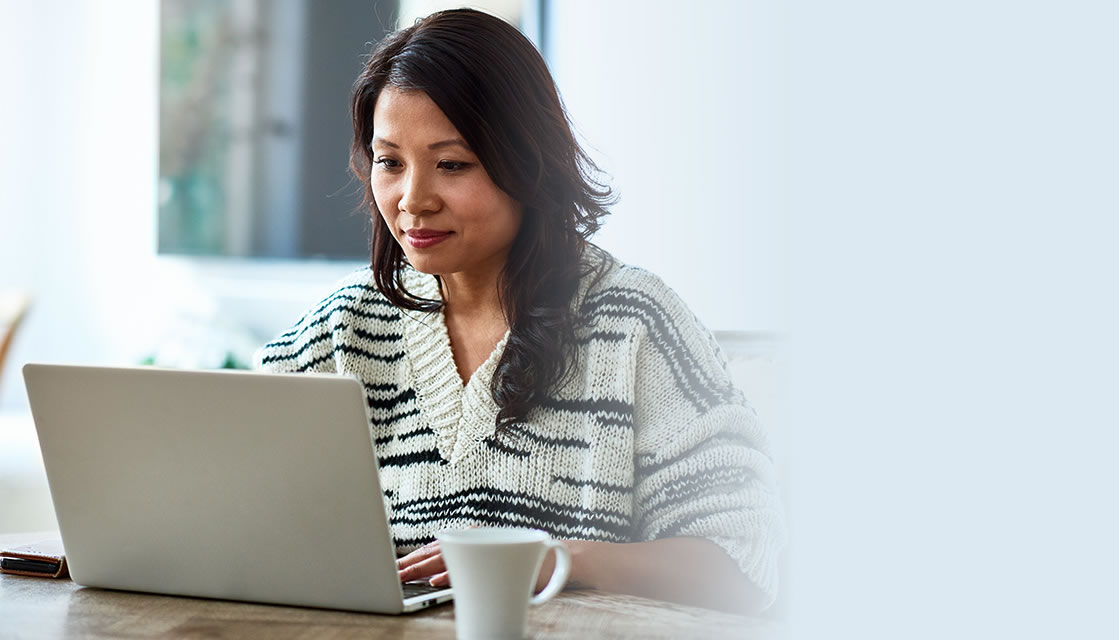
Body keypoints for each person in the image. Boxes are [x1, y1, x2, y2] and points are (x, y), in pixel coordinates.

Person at [253, 8, 781, 613]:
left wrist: (559, 557)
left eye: (452, 164)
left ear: (527, 163)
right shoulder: (343, 327)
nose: (413, 199)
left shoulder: (636, 323)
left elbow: (747, 561)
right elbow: (233, 507)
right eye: (389, 162)